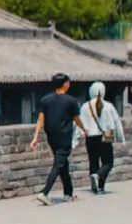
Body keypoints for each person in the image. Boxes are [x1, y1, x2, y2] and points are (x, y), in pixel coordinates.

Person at [30, 73, 89, 204]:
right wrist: (84, 129)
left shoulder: (46, 99)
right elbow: (76, 119)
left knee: (63, 163)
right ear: (65, 84)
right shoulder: (71, 101)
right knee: (58, 164)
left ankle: (68, 193)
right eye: (68, 82)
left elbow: (41, 119)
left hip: (52, 137)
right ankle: (44, 193)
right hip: (64, 136)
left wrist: (35, 137)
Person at [75, 81, 125, 194]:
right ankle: (99, 179)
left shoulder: (85, 106)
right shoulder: (109, 106)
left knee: (93, 161)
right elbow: (117, 122)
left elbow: (79, 123)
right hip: (107, 133)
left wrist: (76, 139)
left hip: (90, 136)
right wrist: (121, 138)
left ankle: (96, 186)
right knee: (108, 162)